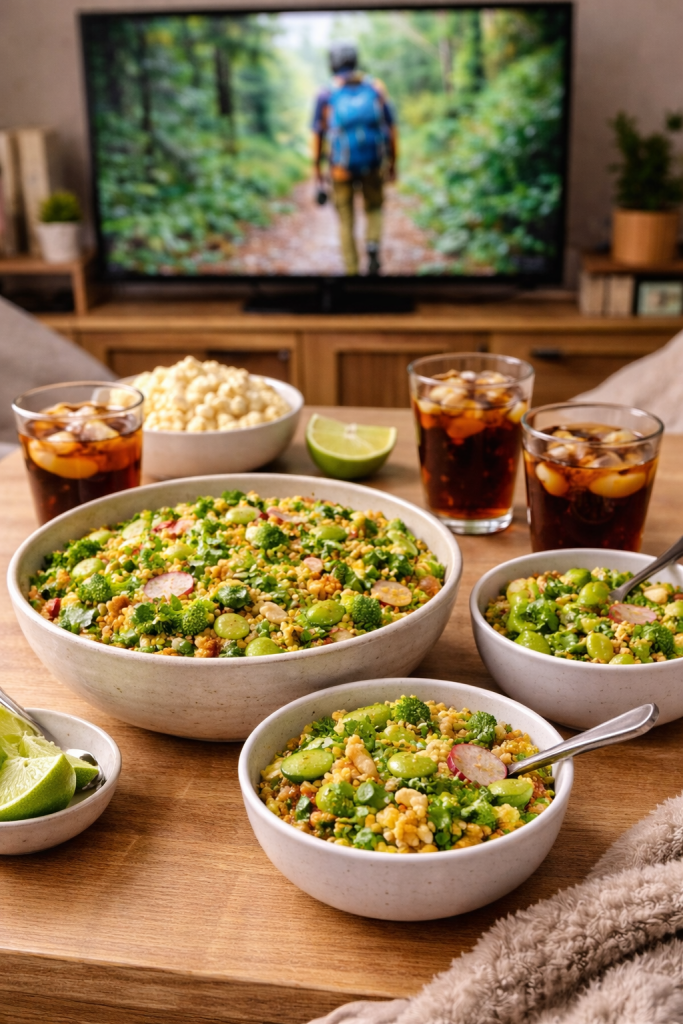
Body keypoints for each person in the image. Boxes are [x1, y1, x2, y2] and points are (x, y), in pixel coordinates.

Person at [312, 42, 397, 276]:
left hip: (340, 168)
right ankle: (372, 243)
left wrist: (317, 171)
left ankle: (352, 271)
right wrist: (392, 163)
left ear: (332, 64)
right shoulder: (376, 88)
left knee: (345, 221)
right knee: (374, 208)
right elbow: (391, 128)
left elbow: (317, 136)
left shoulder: (326, 94)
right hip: (373, 163)